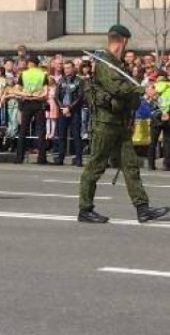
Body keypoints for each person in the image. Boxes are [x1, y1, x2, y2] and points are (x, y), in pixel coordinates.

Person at [78, 24, 168, 224]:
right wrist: (143, 91)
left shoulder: (118, 65)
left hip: (120, 122)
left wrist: (137, 100)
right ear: (123, 41)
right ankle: (85, 209)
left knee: (130, 165)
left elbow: (127, 92)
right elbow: (116, 88)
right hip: (105, 123)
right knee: (95, 166)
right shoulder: (104, 63)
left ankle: (142, 208)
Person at [14, 55, 49, 164]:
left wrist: (25, 93)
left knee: (23, 131)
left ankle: (19, 157)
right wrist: (38, 95)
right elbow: (46, 92)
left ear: (29, 64)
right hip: (38, 103)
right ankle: (41, 158)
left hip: (27, 103)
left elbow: (16, 90)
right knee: (41, 131)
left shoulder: (23, 74)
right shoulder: (43, 75)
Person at [54, 60, 85, 166]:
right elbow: (56, 96)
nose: (66, 70)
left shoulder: (79, 81)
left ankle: (78, 158)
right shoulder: (61, 80)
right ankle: (60, 157)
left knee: (76, 135)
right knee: (61, 135)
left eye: (68, 68)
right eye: (65, 68)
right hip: (63, 111)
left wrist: (70, 108)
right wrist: (62, 108)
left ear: (73, 68)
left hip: (74, 111)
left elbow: (80, 97)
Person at [148, 71, 170, 171]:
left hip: (157, 115)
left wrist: (153, 95)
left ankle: (151, 164)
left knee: (153, 141)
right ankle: (167, 164)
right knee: (167, 141)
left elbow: (149, 97)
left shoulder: (156, 86)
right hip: (168, 114)